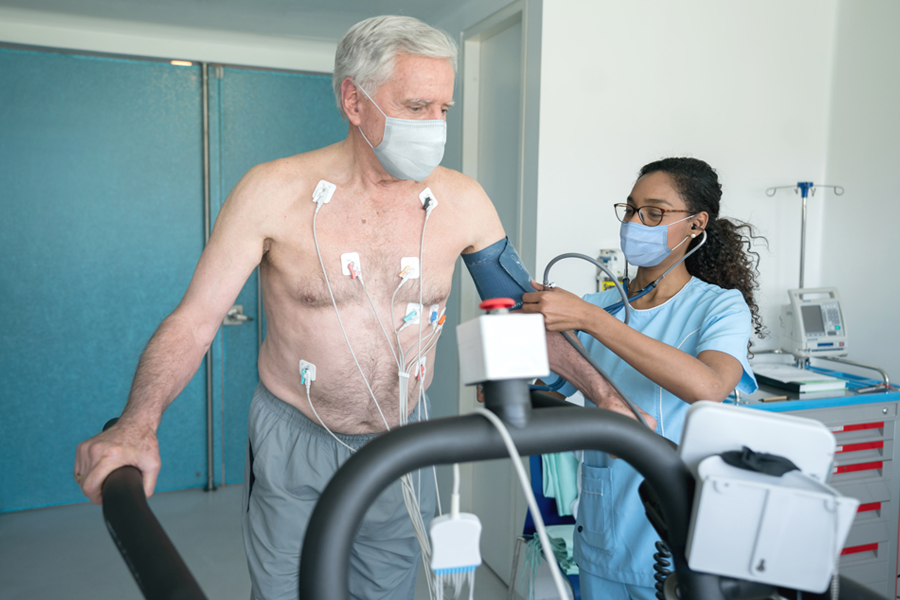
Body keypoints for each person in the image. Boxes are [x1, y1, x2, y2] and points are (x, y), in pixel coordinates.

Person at [72, 15, 627, 600]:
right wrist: (138, 423)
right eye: (416, 106)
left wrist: (606, 397)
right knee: (286, 591)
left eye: (445, 109)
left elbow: (523, 310)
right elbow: (195, 321)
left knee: (383, 592)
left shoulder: (464, 203)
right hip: (294, 437)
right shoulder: (272, 192)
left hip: (403, 437)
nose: (435, 127)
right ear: (353, 101)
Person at [521, 157, 762, 600]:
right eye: (630, 209)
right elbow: (542, 391)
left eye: (654, 213)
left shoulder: (718, 307)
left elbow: (709, 386)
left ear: (696, 224)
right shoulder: (595, 306)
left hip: (685, 537)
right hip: (604, 532)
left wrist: (593, 320)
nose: (635, 223)